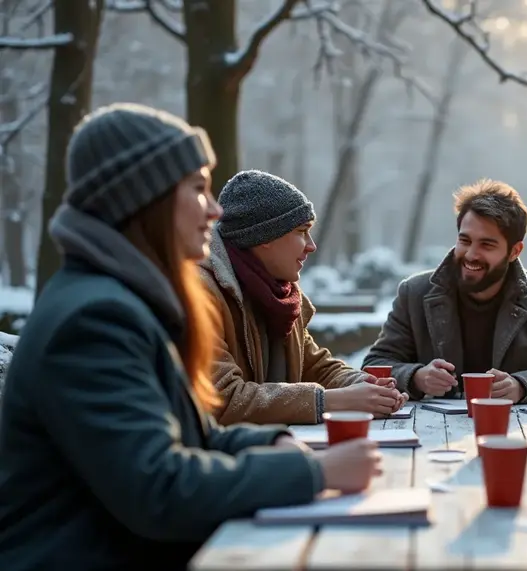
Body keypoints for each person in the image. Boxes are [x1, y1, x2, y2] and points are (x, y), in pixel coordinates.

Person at [0, 104, 381, 570]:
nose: (217, 211)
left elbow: (194, 435)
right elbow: (158, 489)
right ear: (146, 199)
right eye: (199, 189)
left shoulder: (126, 301)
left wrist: (267, 443)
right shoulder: (94, 319)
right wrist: (311, 471)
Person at [201, 170, 406, 426]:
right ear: (264, 236)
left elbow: (314, 365)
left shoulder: (281, 296)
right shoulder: (201, 293)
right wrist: (330, 401)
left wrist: (365, 385)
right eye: (301, 231)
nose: (311, 245)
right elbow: (224, 398)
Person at [363, 178, 527, 402]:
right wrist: (416, 377)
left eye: (486, 244)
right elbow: (375, 365)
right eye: (465, 240)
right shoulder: (414, 292)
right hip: (429, 431)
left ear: (514, 251)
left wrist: (521, 385)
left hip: (515, 430)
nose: (471, 254)